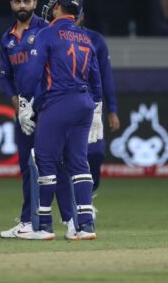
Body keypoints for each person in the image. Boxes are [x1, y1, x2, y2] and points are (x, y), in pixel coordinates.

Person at [18, 0, 103, 241]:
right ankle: (85, 225)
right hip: (83, 103)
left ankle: (43, 226)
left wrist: (25, 102)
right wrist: (95, 108)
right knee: (79, 162)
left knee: (43, 159)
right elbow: (96, 81)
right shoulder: (86, 38)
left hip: (58, 102)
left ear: (56, 5)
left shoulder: (47, 33)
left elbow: (32, 73)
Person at [0, 0, 77, 239]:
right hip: (23, 113)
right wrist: (19, 105)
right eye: (18, 1)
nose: (23, 6)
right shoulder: (7, 38)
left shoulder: (47, 30)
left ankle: (71, 220)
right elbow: (5, 77)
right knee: (27, 166)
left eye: (27, 1)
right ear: (12, 4)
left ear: (35, 3)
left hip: (48, 107)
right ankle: (29, 221)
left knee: (57, 164)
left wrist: (37, 103)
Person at [76, 15, 120, 203]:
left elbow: (105, 76)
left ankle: (88, 196)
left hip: (90, 104)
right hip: (59, 102)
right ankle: (69, 208)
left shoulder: (95, 40)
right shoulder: (50, 37)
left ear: (82, 16)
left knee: (95, 152)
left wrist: (112, 108)